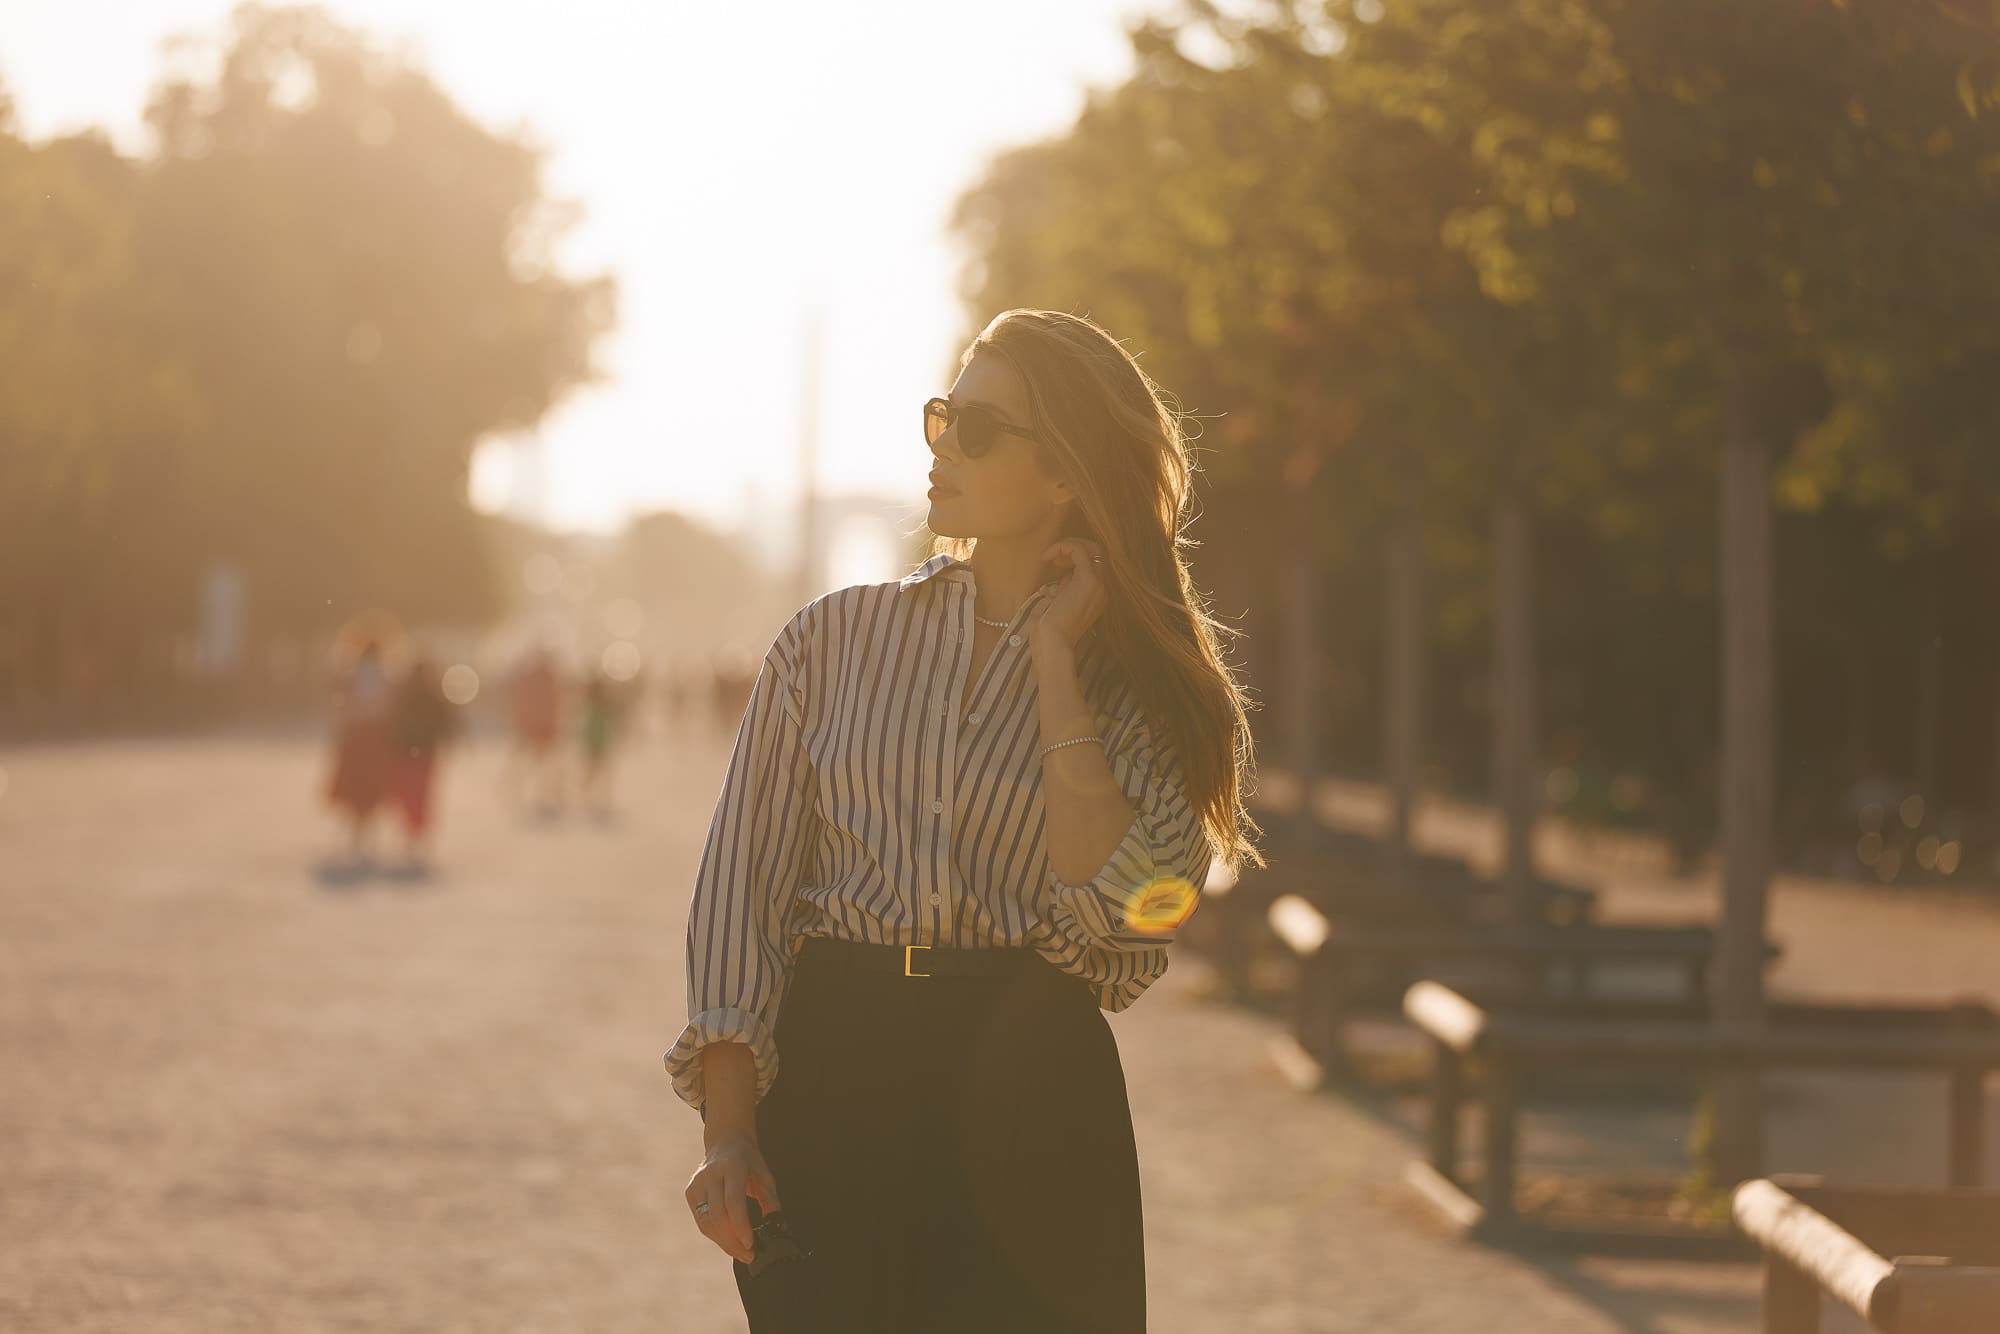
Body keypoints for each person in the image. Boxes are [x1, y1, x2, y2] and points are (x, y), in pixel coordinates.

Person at [664, 309, 1265, 1333]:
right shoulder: (828, 642)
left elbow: (1125, 921)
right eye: (943, 417)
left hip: (1037, 1096)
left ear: (1064, 473)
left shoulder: (1138, 692)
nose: (942, 447)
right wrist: (729, 1132)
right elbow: (741, 893)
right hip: (837, 1085)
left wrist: (1055, 667)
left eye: (980, 430)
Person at [323, 618, 402, 868]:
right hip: (376, 736)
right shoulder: (387, 675)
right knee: (372, 787)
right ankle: (367, 837)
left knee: (355, 787)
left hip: (357, 735)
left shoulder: (351, 674)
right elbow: (390, 709)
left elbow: (345, 708)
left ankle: (356, 837)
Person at [388, 649, 460, 872]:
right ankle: (416, 836)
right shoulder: (427, 693)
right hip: (418, 751)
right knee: (419, 795)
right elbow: (448, 721)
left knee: (412, 795)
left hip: (411, 751)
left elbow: (446, 720)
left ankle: (414, 836)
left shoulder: (410, 694)